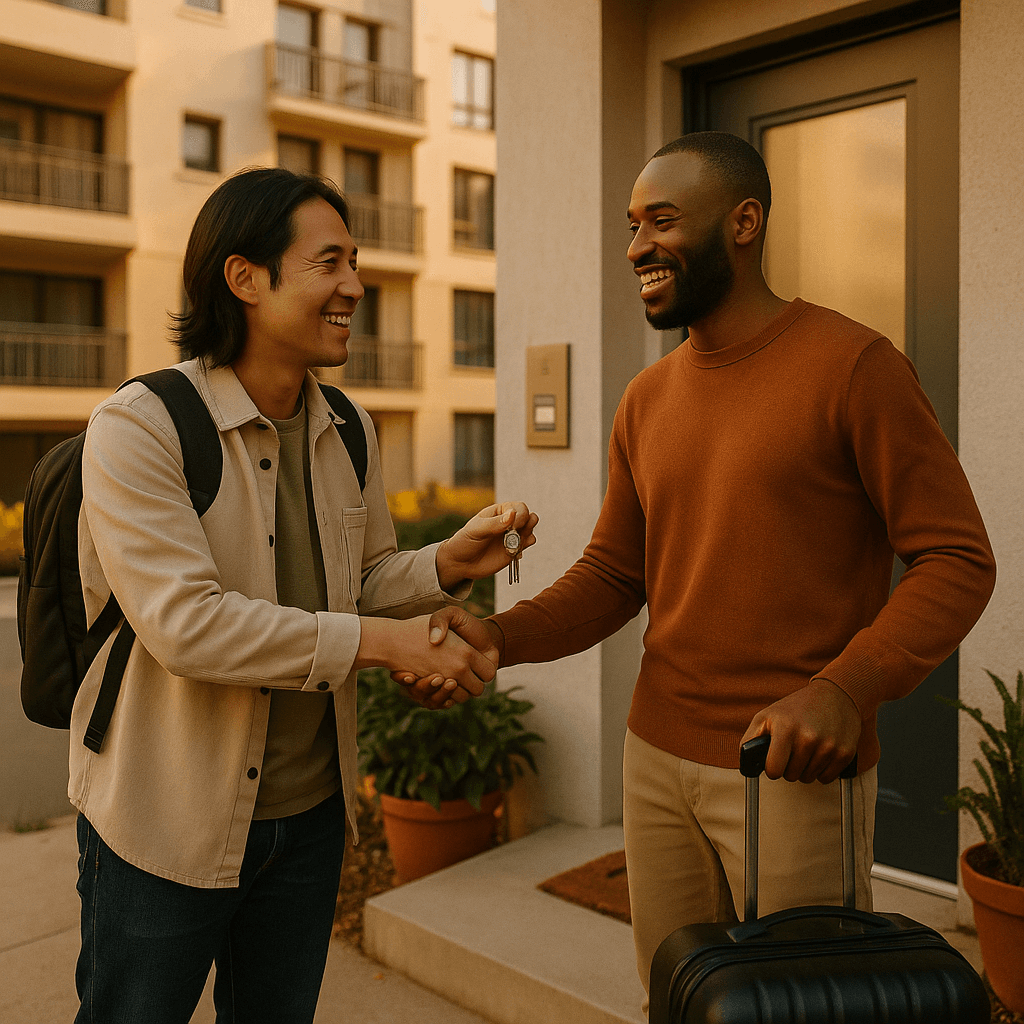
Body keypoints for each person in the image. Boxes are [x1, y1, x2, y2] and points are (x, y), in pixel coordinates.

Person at [405, 132, 996, 1001]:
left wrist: (846, 688)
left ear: (745, 221)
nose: (638, 246)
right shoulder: (648, 398)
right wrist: (497, 635)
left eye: (663, 221)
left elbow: (957, 558)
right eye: (633, 224)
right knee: (677, 1001)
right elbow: (615, 573)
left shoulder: (855, 367)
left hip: (792, 772)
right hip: (655, 756)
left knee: (803, 1013)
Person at [71, 166, 536, 1024]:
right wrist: (383, 644)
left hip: (311, 819)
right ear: (245, 279)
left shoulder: (348, 426)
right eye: (330, 263)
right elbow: (187, 627)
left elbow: (354, 586)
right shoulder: (138, 426)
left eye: (355, 262)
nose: (355, 286)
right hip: (161, 826)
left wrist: (446, 564)